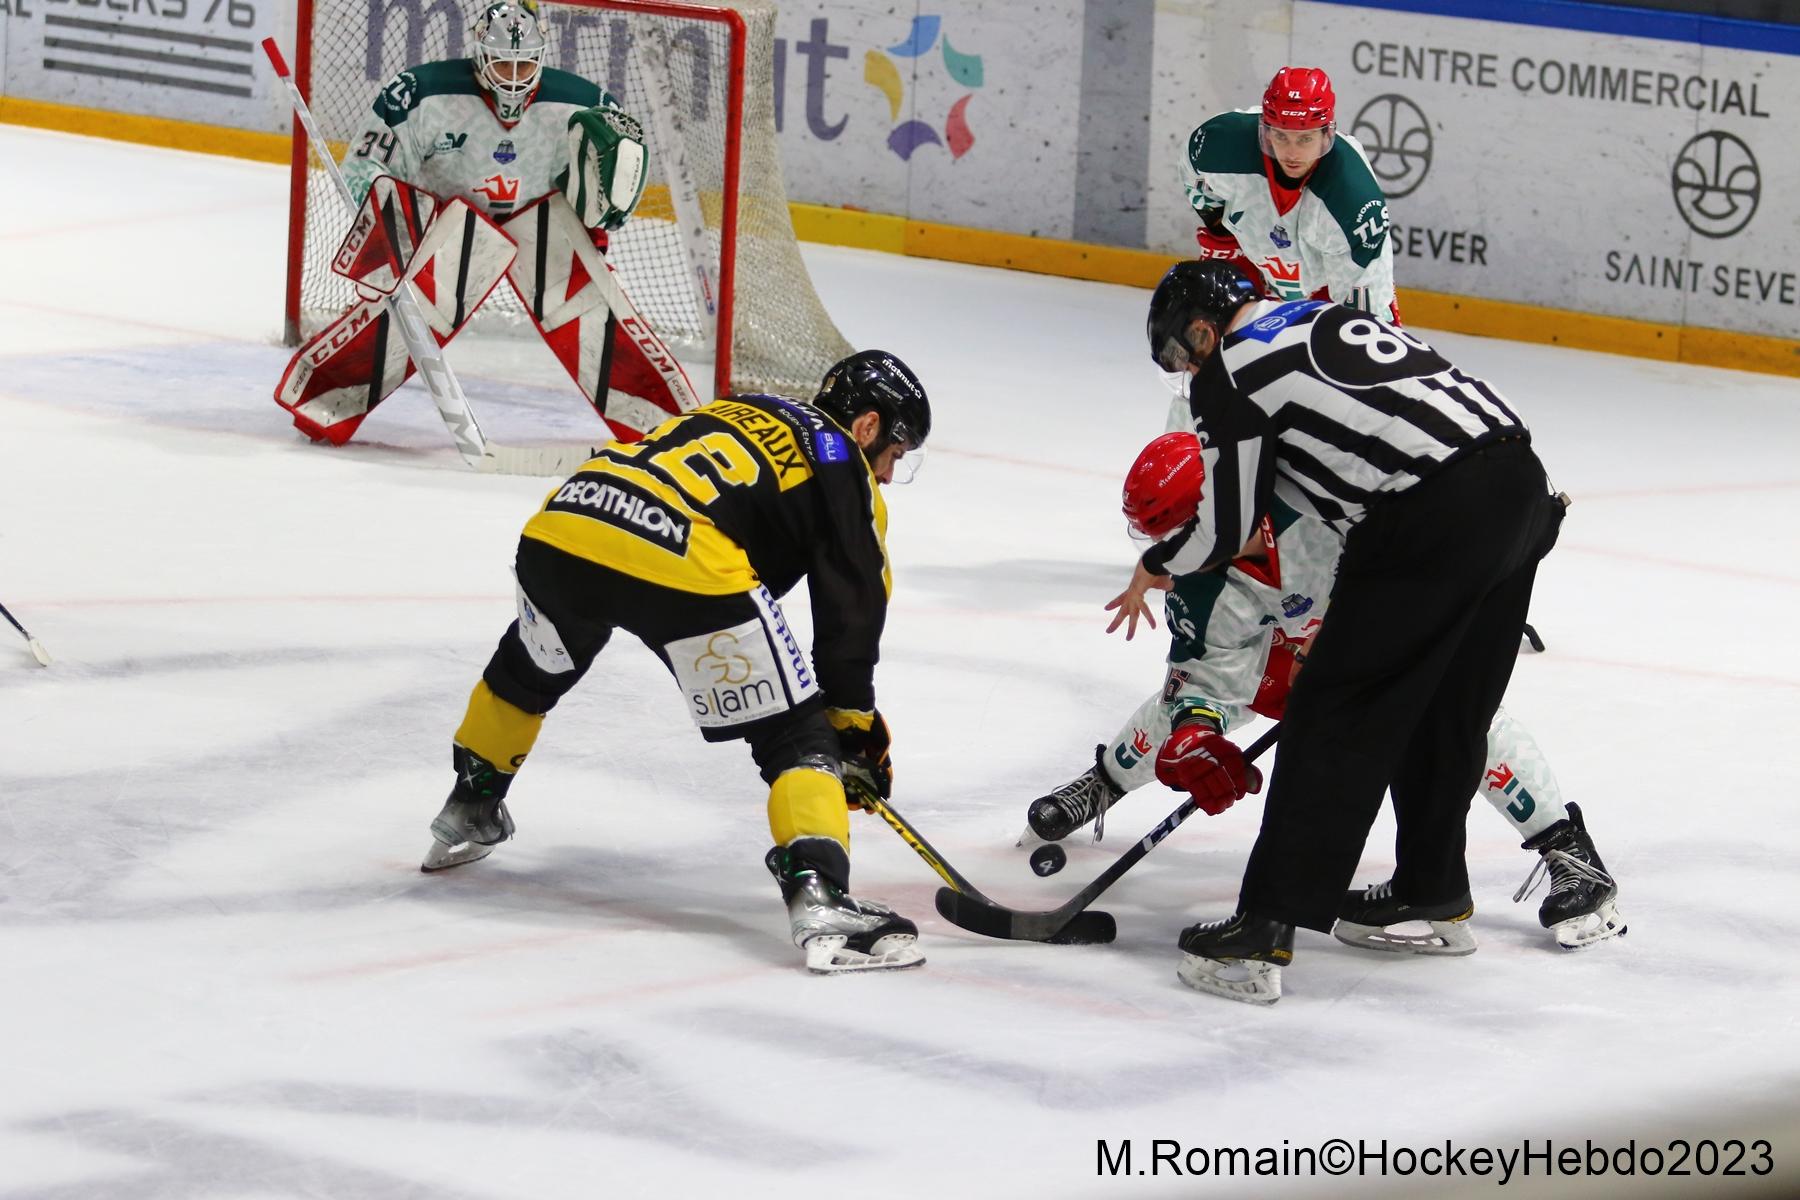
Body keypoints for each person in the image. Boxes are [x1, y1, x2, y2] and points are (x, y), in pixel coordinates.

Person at [1119, 259, 1566, 1005]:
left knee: (1330, 714)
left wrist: (1157, 562)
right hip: (1521, 486)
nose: (1187, 372)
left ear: (1200, 330)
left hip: (1430, 510)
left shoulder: (1232, 367)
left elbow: (1226, 527)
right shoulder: (1320, 318)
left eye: (1179, 353)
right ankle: (1430, 890)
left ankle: (1262, 931)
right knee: (1445, 712)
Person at [418, 351, 933, 975]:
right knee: (797, 739)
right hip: (681, 552)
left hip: (566, 523)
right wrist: (849, 726)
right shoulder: (841, 460)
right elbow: (853, 606)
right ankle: (821, 898)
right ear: (868, 426)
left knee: (530, 669)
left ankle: (470, 804)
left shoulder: (742, 406)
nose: (887, 475)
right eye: (894, 455)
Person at [1020, 441, 1623, 953]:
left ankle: (1570, 854)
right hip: (1293, 649)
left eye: (1178, 533)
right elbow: (1203, 676)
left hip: (1394, 619)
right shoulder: (1203, 582)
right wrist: (1195, 733)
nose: (1171, 555)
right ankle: (1105, 782)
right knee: (1176, 713)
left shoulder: (1320, 498)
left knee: (1458, 721)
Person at [276, 0, 698, 448]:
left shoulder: (584, 104)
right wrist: (390, 238)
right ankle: (321, 403)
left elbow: (608, 178)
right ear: (480, 56)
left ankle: (664, 425)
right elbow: (366, 169)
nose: (513, 77)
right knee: (406, 317)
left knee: (593, 311)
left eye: (524, 65)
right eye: (502, 64)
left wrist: (598, 215)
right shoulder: (420, 94)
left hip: (542, 222)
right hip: (449, 225)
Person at [1183, 67, 1397, 322]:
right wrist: (1221, 233)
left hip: (1327, 289)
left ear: (1326, 134)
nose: (1292, 154)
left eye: (1305, 139)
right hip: (1254, 264)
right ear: (1266, 130)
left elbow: (1365, 319)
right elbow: (1193, 169)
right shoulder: (1221, 143)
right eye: (1281, 136)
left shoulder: (1352, 196)